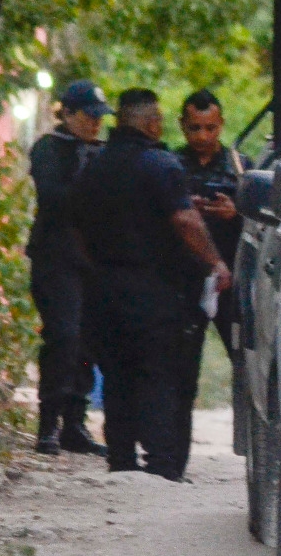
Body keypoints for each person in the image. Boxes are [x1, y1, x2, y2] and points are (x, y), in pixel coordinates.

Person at [71, 89, 232, 481]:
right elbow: (186, 222)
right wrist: (215, 262)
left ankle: (121, 459)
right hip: (154, 288)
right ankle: (161, 464)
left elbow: (75, 226)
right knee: (159, 375)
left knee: (117, 375)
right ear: (153, 124)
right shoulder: (162, 165)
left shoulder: (93, 167)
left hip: (103, 287)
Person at [26, 79, 112, 457]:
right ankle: (48, 424)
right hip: (56, 258)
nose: (95, 124)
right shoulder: (50, 148)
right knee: (63, 337)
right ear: (70, 115)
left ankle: (74, 424)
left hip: (95, 260)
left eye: (99, 117)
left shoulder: (103, 151)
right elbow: (53, 196)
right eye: (89, 116)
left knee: (88, 341)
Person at [174, 90, 252, 441]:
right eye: (194, 128)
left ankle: (248, 439)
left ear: (221, 125)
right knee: (181, 366)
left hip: (230, 277)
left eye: (210, 128)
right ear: (182, 127)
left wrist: (237, 212)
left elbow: (266, 222)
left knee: (246, 360)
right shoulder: (170, 165)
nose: (203, 137)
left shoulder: (241, 167)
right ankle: (173, 449)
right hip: (184, 276)